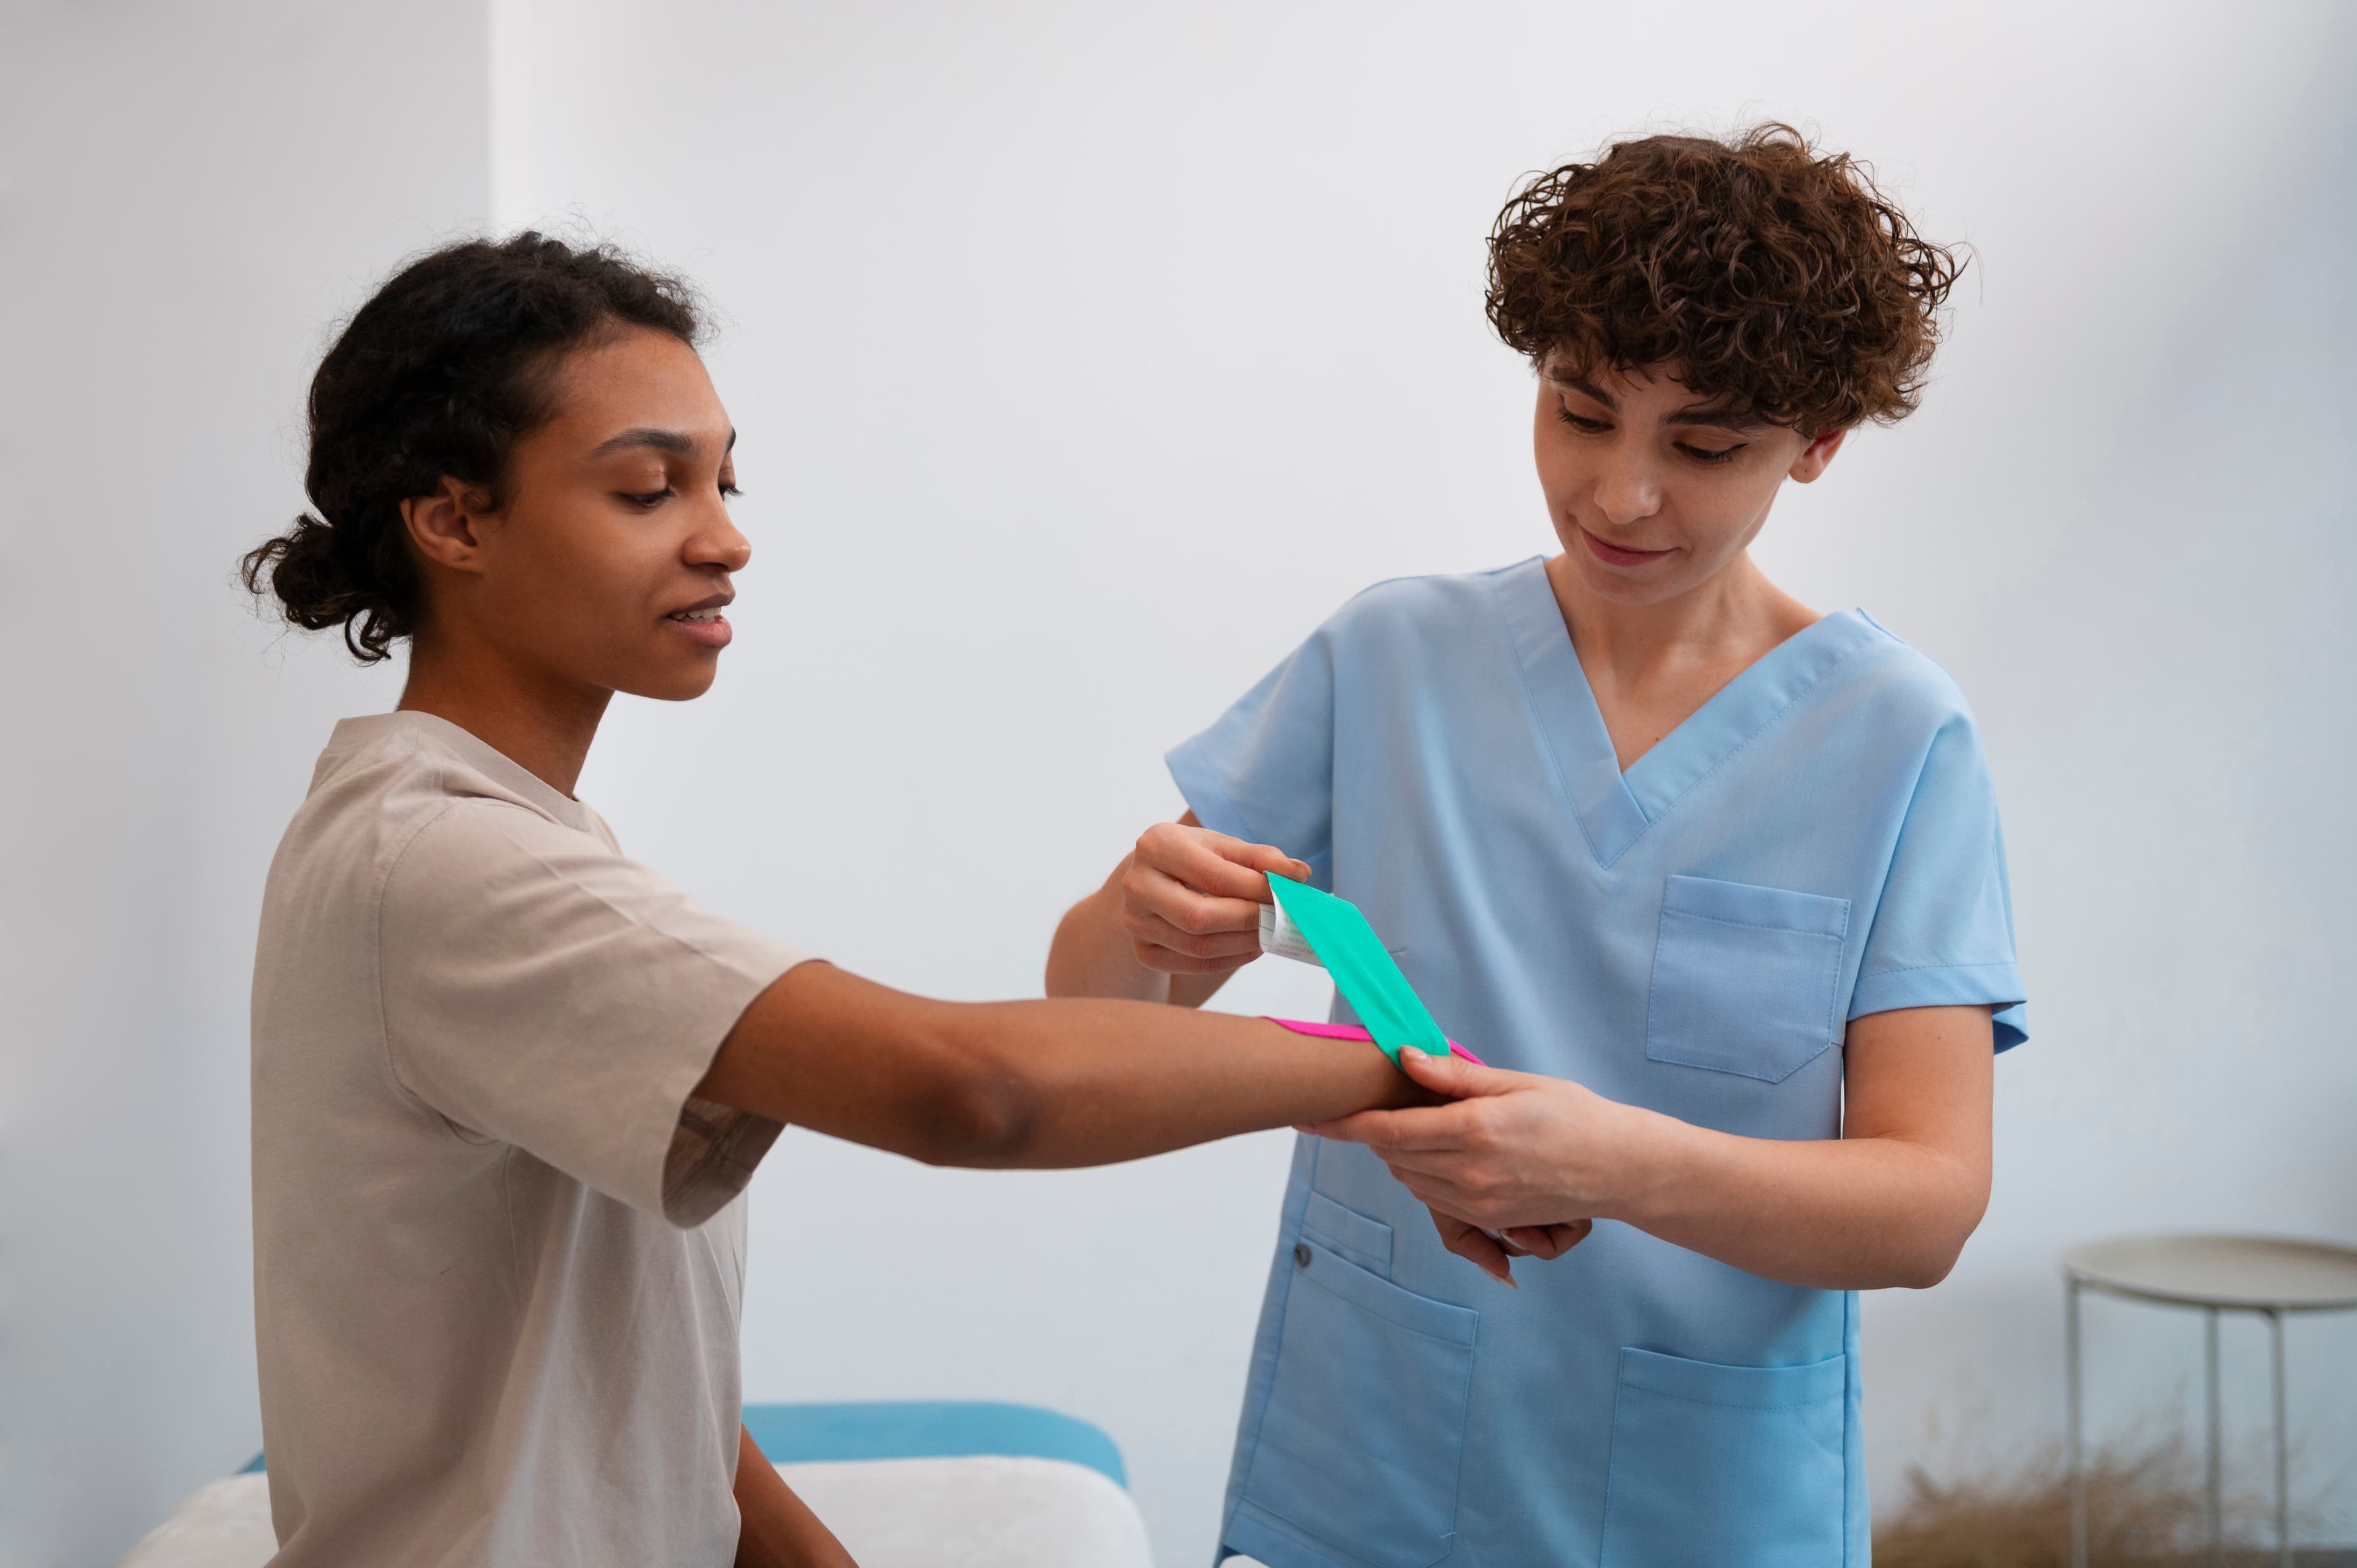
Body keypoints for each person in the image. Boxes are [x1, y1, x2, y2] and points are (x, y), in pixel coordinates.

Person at [240, 234, 1427, 1568]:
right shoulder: (446, 865)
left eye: (725, 479)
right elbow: (972, 1088)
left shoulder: (498, 834)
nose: (727, 538)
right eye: (647, 490)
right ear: (453, 519)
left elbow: (607, 1348)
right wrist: (1390, 1074)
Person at [1046, 124, 2026, 1565]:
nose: (1622, 494)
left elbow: (1926, 1208)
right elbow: (1089, 1025)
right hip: (1370, 1457)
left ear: (1816, 442)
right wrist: (1145, 922)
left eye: (1704, 446)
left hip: (1703, 1498)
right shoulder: (1393, 661)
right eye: (1581, 413)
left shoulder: (1893, 740)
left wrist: (1609, 1165)